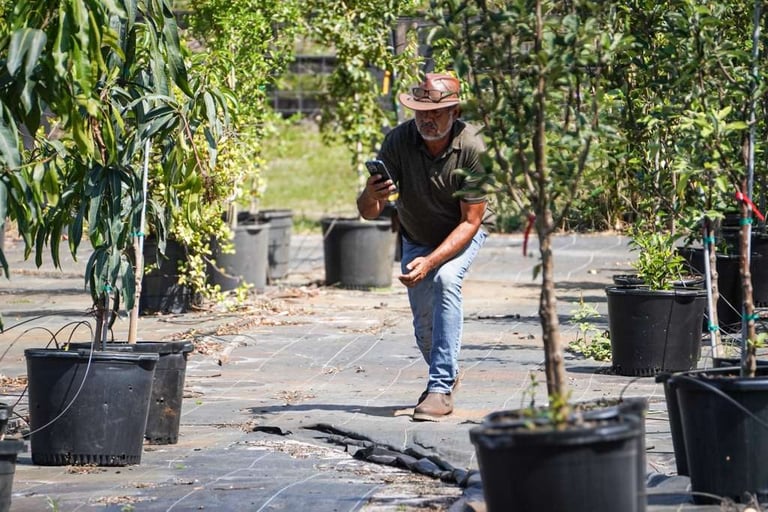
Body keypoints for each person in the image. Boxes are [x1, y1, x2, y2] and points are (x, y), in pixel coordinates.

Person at [356, 72, 488, 421]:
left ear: (455, 111)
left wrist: (431, 262)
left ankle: (440, 388)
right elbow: (369, 214)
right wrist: (371, 194)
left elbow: (471, 221)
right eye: (420, 112)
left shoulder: (474, 147)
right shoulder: (398, 141)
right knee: (423, 324)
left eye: (437, 112)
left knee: (445, 281)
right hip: (416, 236)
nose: (427, 119)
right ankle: (446, 372)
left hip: (461, 232)